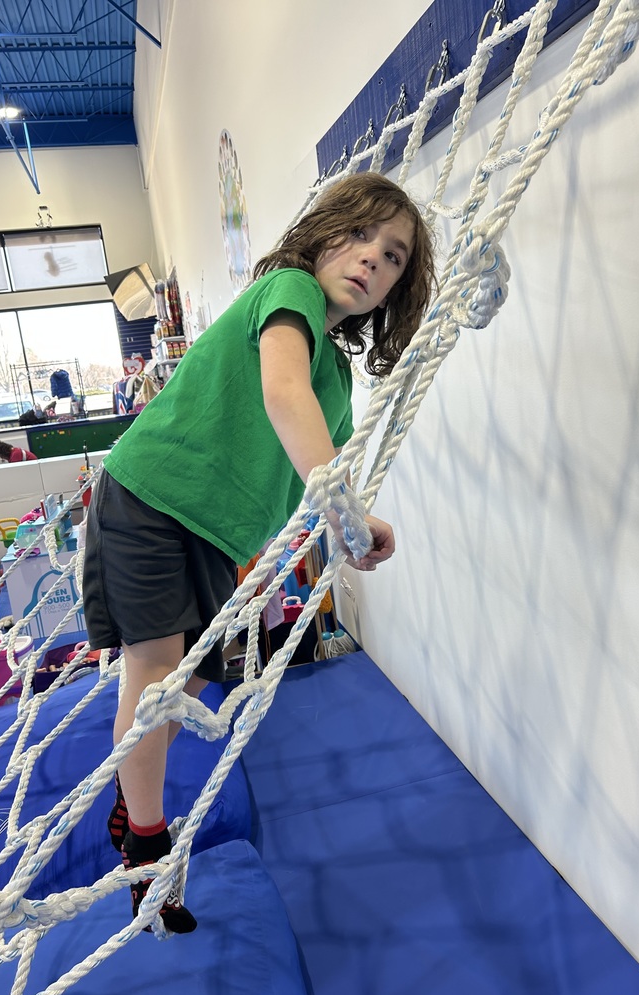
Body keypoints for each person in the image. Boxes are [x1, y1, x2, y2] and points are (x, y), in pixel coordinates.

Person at [82, 171, 437, 933]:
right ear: (324, 232)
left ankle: (130, 798)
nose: (373, 258)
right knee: (154, 673)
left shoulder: (336, 378)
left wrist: (357, 524)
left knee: (187, 687)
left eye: (395, 256)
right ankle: (145, 843)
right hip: (151, 492)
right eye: (360, 234)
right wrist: (342, 509)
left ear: (396, 288)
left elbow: (321, 467)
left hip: (217, 536)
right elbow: (282, 395)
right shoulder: (289, 291)